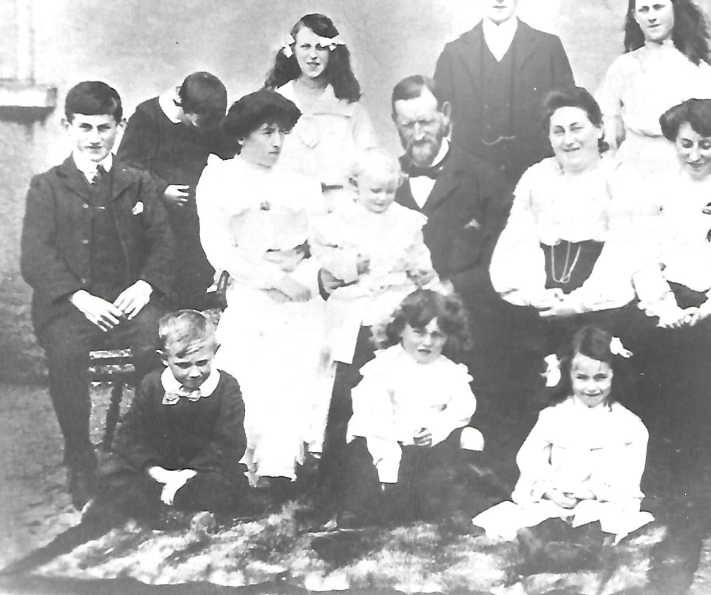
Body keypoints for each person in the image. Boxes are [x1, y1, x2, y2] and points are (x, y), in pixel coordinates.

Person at [20, 81, 175, 509]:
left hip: (130, 303)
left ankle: (147, 453)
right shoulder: (46, 186)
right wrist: (79, 298)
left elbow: (164, 243)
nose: (94, 138)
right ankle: (80, 458)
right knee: (65, 355)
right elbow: (35, 256)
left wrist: (144, 286)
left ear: (120, 127)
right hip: (73, 308)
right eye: (84, 127)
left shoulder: (139, 183)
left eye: (104, 128)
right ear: (67, 126)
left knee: (154, 346)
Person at [489, 86, 654, 454]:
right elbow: (519, 240)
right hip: (545, 300)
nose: (569, 139)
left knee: (596, 370)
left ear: (598, 128)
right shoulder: (536, 176)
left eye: (577, 128)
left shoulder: (620, 176)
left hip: (600, 304)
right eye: (558, 131)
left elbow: (622, 250)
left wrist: (579, 303)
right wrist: (537, 294)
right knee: (529, 374)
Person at [196, 90, 332, 490]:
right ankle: (250, 463)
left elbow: (323, 239)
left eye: (282, 133)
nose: (277, 142)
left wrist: (302, 266)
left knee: (309, 342)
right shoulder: (220, 177)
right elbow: (219, 249)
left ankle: (288, 461)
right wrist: (272, 279)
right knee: (255, 349)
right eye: (266, 132)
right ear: (241, 135)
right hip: (251, 284)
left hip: (300, 282)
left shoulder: (300, 183)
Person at [632, 99, 711, 517]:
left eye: (706, 144)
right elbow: (643, 257)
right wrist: (664, 306)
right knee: (652, 356)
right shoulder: (657, 189)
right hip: (669, 296)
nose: (695, 155)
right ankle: (664, 482)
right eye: (686, 144)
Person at [472, 325, 653, 572]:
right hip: (555, 502)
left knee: (604, 530)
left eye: (600, 378)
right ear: (569, 374)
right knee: (525, 529)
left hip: (600, 503)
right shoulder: (554, 416)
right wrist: (547, 490)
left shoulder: (629, 426)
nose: (591, 387)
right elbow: (529, 458)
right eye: (582, 377)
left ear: (614, 375)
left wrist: (590, 493)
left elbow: (628, 477)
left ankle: (579, 559)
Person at [390, 74, 512, 420]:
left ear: (445, 115)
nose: (417, 134)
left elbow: (502, 261)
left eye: (426, 122)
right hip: (402, 330)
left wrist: (450, 288)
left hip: (468, 330)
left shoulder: (485, 179)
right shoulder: (385, 183)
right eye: (407, 124)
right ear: (395, 124)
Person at [434, 0, 575, 186]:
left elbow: (570, 114)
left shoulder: (548, 48)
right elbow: (437, 123)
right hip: (470, 186)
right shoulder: (453, 54)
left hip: (536, 181)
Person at [340, 289, 479, 526]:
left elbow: (462, 408)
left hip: (426, 450)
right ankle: (368, 508)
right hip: (384, 448)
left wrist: (435, 430)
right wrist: (389, 469)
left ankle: (447, 505)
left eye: (437, 335)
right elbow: (376, 423)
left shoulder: (450, 371)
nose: (427, 342)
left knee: (471, 437)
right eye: (419, 332)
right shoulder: (383, 368)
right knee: (362, 462)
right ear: (400, 330)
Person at [100, 309, 248, 517]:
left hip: (202, 470)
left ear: (215, 352)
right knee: (112, 473)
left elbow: (230, 442)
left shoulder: (226, 386)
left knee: (220, 488)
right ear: (164, 359)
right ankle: (165, 506)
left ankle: (170, 508)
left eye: (202, 363)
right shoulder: (152, 384)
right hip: (159, 468)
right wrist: (158, 472)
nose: (195, 373)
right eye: (183, 365)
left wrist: (187, 475)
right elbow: (129, 436)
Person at [117, 72, 237, 306]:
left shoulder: (207, 116)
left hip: (193, 217)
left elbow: (229, 150)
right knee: (163, 285)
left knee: (195, 285)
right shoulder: (147, 116)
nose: (202, 131)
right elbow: (126, 165)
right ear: (181, 105)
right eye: (198, 124)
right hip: (156, 217)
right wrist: (162, 190)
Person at [312, 148, 437, 369]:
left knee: (395, 364)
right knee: (356, 365)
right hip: (357, 306)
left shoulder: (404, 219)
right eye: (376, 191)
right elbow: (324, 253)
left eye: (390, 191)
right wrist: (350, 264)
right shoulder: (341, 220)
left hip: (396, 303)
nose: (383, 198)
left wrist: (422, 268)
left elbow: (419, 251)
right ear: (354, 186)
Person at [594, 0, 711, 183]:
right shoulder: (623, 67)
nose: (651, 17)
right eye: (644, 10)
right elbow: (606, 121)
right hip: (633, 166)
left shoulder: (699, 70)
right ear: (635, 16)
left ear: (674, 10)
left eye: (659, 7)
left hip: (682, 165)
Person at [265, 13, 378, 206]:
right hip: (286, 207)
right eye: (305, 47)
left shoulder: (350, 108)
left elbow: (371, 165)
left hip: (338, 209)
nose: (313, 56)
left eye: (321, 47)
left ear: (333, 53)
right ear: (292, 50)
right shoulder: (274, 101)